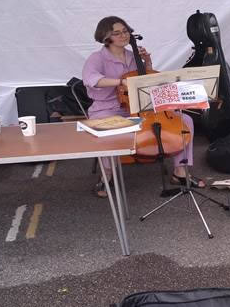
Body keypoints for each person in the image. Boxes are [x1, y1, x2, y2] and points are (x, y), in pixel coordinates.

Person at [82, 16, 206, 197]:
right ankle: (107, 175)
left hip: (137, 107)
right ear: (106, 37)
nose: (123, 35)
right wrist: (120, 82)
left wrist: (146, 63)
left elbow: (145, 80)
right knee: (106, 131)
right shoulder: (97, 58)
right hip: (107, 108)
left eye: (125, 31)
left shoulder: (132, 56)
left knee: (185, 120)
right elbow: (91, 79)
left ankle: (180, 171)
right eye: (117, 33)